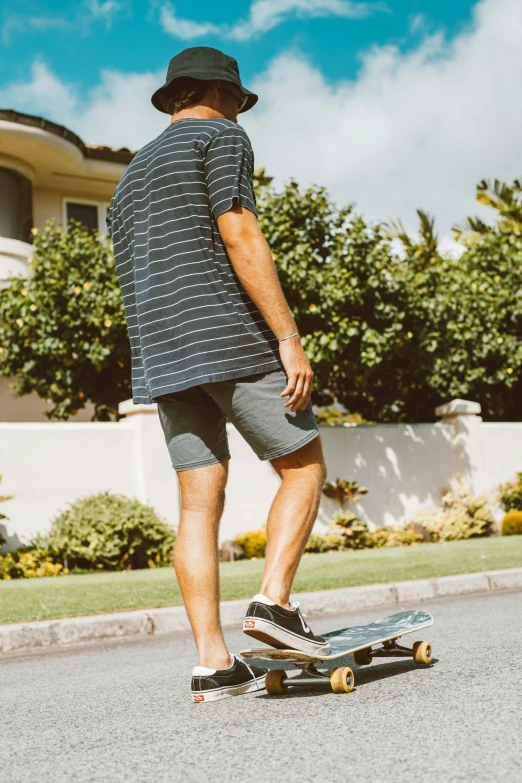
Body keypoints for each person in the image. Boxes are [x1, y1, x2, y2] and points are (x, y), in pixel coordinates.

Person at [107, 46, 329, 703]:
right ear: (212, 92)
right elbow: (240, 234)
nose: (240, 106)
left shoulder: (127, 178)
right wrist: (288, 338)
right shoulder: (221, 135)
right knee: (305, 465)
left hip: (162, 356)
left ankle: (213, 660)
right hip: (227, 338)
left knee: (198, 506)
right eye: (237, 95)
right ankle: (274, 606)